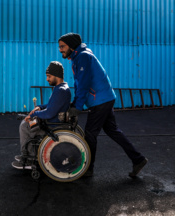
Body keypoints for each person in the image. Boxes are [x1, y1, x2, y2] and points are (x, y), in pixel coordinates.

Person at [58, 32, 148, 177]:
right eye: (60, 47)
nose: (60, 49)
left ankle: (87, 169)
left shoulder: (82, 56)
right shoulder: (80, 56)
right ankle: (138, 159)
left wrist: (77, 107)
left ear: (71, 46)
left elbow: (84, 84)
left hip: (100, 100)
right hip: (104, 98)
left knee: (90, 134)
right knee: (112, 130)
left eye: (62, 46)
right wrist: (75, 103)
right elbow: (80, 83)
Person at [12, 61, 71, 169]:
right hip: (54, 121)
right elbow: (52, 105)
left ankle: (30, 160)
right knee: (27, 123)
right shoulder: (62, 88)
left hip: (52, 125)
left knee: (25, 125)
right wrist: (40, 106)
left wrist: (34, 114)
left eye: (49, 76)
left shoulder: (60, 90)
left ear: (56, 75)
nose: (47, 79)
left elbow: (49, 113)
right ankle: (26, 156)